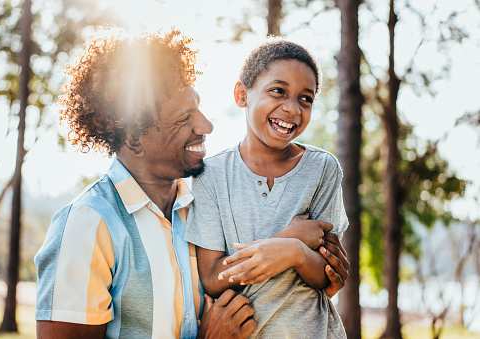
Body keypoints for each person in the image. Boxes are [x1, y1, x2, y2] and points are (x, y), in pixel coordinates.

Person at [34, 26, 256, 339]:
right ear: (135, 139)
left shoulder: (207, 206)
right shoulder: (88, 223)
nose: (205, 125)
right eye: (184, 117)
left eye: (199, 108)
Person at [185, 39, 349, 338]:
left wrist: (296, 253)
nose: (292, 109)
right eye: (278, 91)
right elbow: (211, 276)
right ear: (242, 94)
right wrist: (287, 240)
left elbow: (328, 276)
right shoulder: (211, 175)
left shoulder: (322, 169)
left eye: (305, 99)